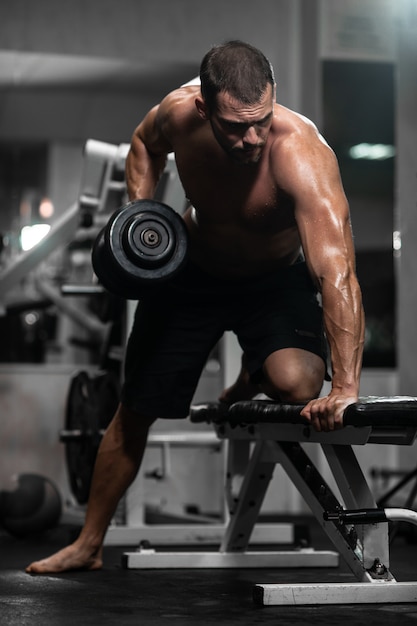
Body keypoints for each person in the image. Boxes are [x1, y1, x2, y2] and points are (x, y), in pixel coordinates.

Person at [26, 40, 364, 574]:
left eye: (262, 120)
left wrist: (345, 388)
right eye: (235, 126)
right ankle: (90, 543)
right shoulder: (178, 114)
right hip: (193, 275)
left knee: (300, 385)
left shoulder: (301, 154)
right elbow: (142, 144)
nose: (252, 138)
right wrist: (140, 222)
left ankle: (256, 370)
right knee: (135, 407)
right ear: (204, 107)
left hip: (273, 281)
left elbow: (336, 273)